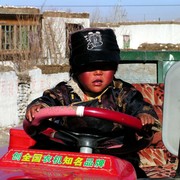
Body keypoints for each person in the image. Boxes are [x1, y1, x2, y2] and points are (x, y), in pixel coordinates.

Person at [25, 28, 161, 178]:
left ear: (115, 67)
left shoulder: (123, 93)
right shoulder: (64, 92)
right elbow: (48, 100)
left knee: (138, 176)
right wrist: (40, 106)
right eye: (89, 66)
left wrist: (144, 115)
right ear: (76, 69)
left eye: (105, 66)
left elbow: (139, 106)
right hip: (71, 160)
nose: (98, 72)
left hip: (116, 160)